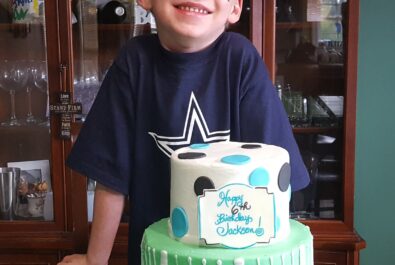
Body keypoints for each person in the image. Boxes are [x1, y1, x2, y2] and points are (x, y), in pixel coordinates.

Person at [59, 0, 309, 264]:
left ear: (235, 7)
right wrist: (94, 259)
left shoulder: (240, 60)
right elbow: (110, 176)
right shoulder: (134, 61)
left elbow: (277, 179)